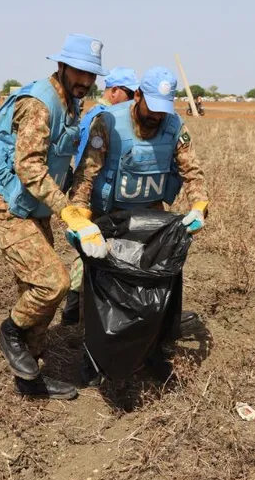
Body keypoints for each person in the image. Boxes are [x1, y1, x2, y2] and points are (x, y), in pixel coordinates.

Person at [0, 33, 108, 400]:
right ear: (61, 66)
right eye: (79, 72)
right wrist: (67, 210)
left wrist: (78, 200)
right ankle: (11, 332)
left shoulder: (71, 102)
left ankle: (30, 376)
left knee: (33, 287)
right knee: (52, 283)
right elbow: (29, 167)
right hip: (4, 204)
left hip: (33, 205)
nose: (85, 81)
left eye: (91, 75)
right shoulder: (40, 105)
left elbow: (61, 162)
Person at [66, 66, 209, 385]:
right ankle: (94, 357)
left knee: (153, 287)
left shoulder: (175, 127)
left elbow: (192, 173)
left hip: (151, 218)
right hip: (110, 217)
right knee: (99, 289)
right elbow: (86, 175)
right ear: (139, 96)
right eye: (152, 108)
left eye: (163, 110)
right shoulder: (108, 123)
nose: (156, 116)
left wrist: (199, 206)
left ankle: (150, 351)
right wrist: (78, 217)